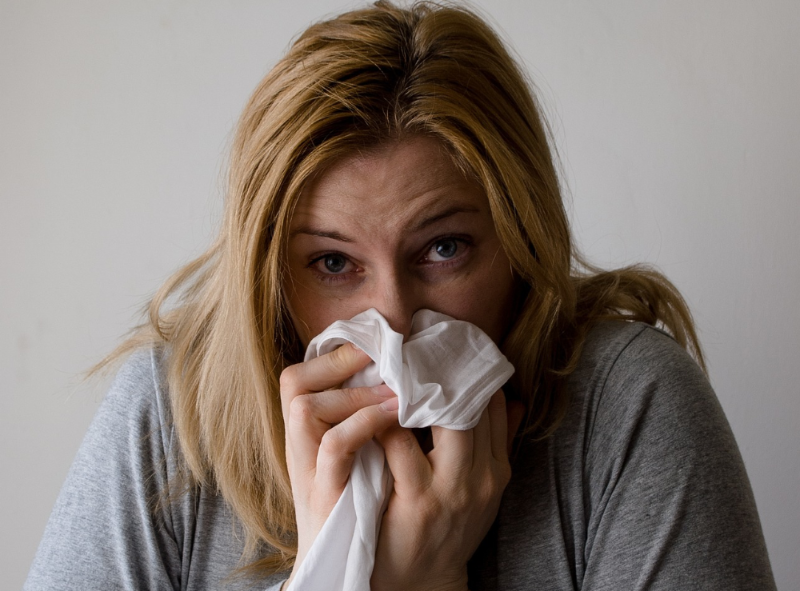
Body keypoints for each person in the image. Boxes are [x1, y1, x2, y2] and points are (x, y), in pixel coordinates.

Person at [25, 2, 776, 590]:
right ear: (268, 279)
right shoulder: (170, 421)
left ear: (521, 242)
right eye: (331, 262)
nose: (389, 318)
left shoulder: (626, 408)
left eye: (443, 249)